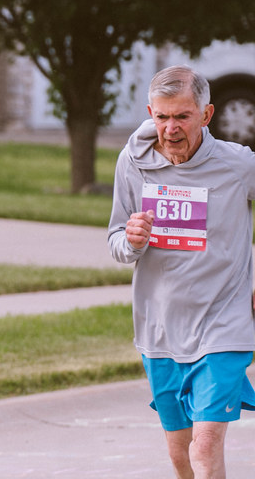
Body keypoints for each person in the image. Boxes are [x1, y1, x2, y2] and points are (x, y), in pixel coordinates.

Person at [108, 65, 255, 479]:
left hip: (224, 322)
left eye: (182, 117)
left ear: (206, 115)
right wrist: (132, 240)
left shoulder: (238, 164)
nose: (170, 129)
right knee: (180, 454)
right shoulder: (133, 162)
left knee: (204, 446)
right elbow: (116, 240)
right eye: (162, 117)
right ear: (150, 113)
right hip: (160, 327)